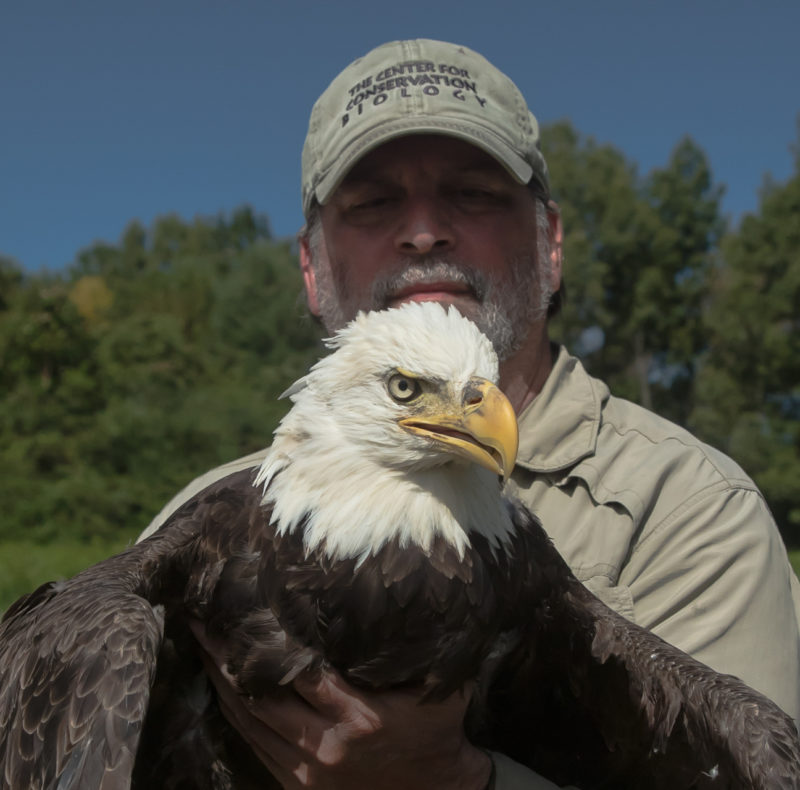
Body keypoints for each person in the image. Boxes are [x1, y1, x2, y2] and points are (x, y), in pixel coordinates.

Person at [140, 39, 800, 789]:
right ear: (311, 269)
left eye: (475, 194)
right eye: (374, 203)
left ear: (551, 243)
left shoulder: (687, 510)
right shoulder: (187, 531)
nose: (424, 233)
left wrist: (447, 778)